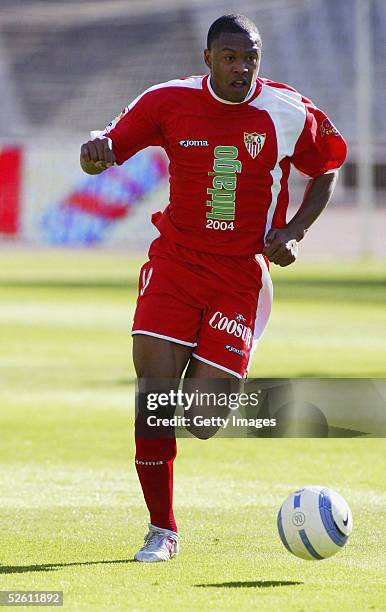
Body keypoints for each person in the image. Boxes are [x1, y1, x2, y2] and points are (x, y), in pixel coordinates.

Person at [80, 14, 347, 562]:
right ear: (208, 60)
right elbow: (111, 143)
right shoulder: (168, 101)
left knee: (201, 422)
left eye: (250, 57)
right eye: (230, 57)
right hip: (175, 263)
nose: (241, 67)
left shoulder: (287, 111)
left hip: (239, 278)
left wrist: (294, 231)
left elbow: (327, 166)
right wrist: (97, 149)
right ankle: (162, 529)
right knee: (153, 397)